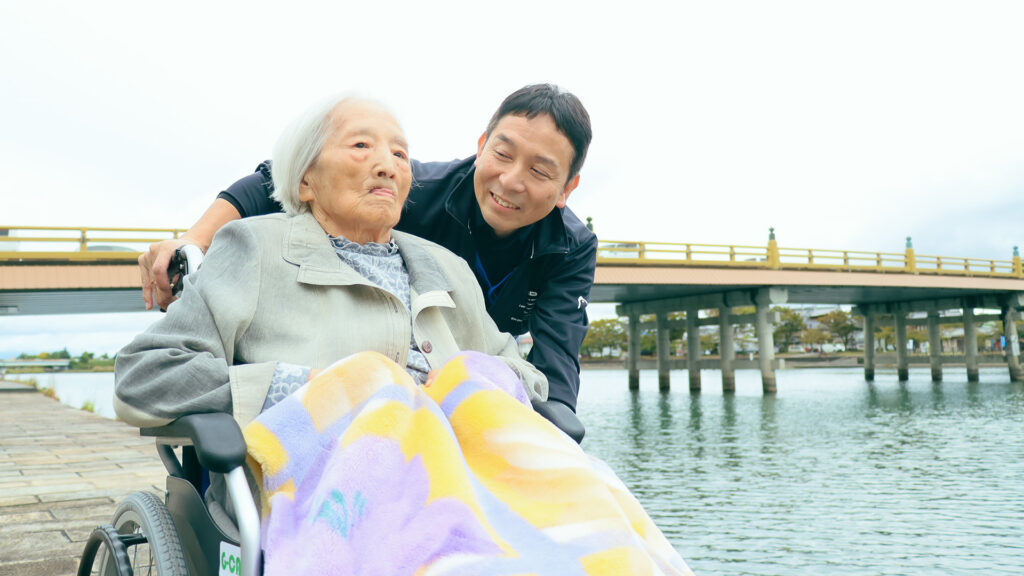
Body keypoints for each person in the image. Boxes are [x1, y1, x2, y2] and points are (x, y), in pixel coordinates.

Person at [138, 84, 596, 431]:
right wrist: (196, 238)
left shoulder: (542, 251)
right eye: (362, 146)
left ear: (566, 189)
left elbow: (550, 370)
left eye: (539, 171)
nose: (512, 181)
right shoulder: (417, 192)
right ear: (481, 147)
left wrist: (484, 391)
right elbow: (271, 180)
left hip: (457, 438)